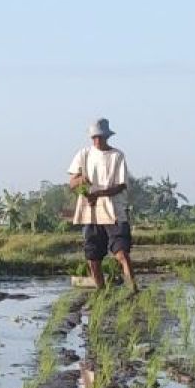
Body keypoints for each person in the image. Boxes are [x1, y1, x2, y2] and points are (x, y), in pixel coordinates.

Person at [67, 118, 138, 292]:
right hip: (91, 213)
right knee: (93, 257)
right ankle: (101, 292)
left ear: (107, 137)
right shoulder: (83, 154)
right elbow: (72, 183)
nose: (97, 141)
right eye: (94, 137)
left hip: (114, 211)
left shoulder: (117, 156)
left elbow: (121, 185)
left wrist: (99, 193)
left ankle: (133, 290)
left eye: (100, 137)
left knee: (122, 253)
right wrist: (80, 179)